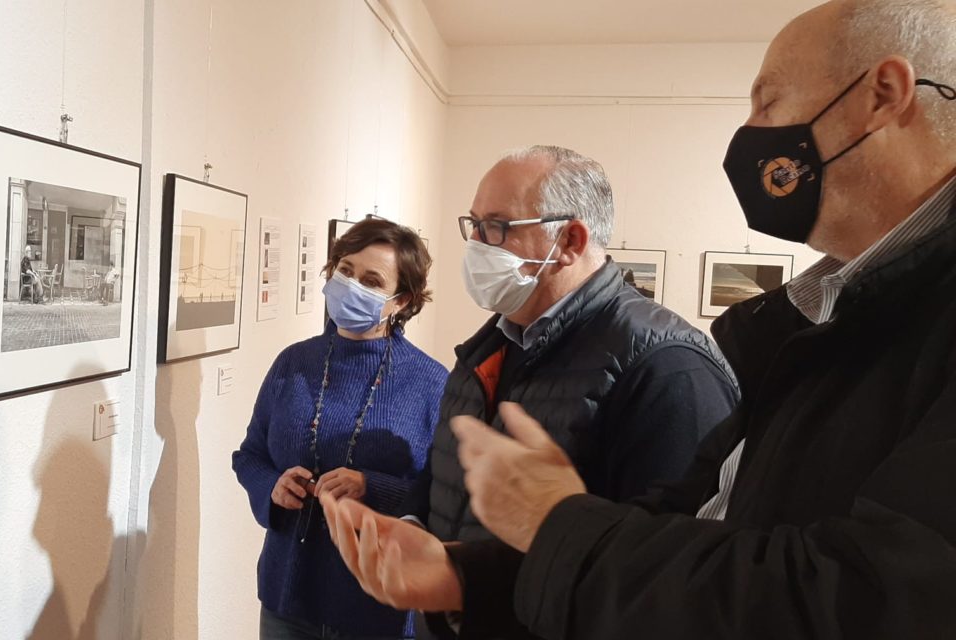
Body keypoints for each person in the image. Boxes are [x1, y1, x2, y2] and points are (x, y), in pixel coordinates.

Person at [321, 1, 956, 638]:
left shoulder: (669, 365)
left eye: (768, 102)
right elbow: (696, 530)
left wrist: (555, 520)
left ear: (884, 95)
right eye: (476, 227)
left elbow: (861, 600)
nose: (749, 130)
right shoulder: (822, 324)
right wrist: (466, 578)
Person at [391, 146, 739, 638]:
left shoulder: (669, 369)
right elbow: (451, 470)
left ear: (570, 240)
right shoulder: (492, 344)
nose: (477, 245)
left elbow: (663, 583)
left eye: (497, 227)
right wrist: (412, 526)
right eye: (473, 225)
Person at [232, 218, 450, 640]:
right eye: (345, 271)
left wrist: (373, 487)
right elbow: (249, 455)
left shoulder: (430, 383)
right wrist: (273, 486)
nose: (351, 285)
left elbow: (443, 496)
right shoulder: (294, 363)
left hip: (379, 604)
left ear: (400, 300)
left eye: (371, 281)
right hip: (288, 595)